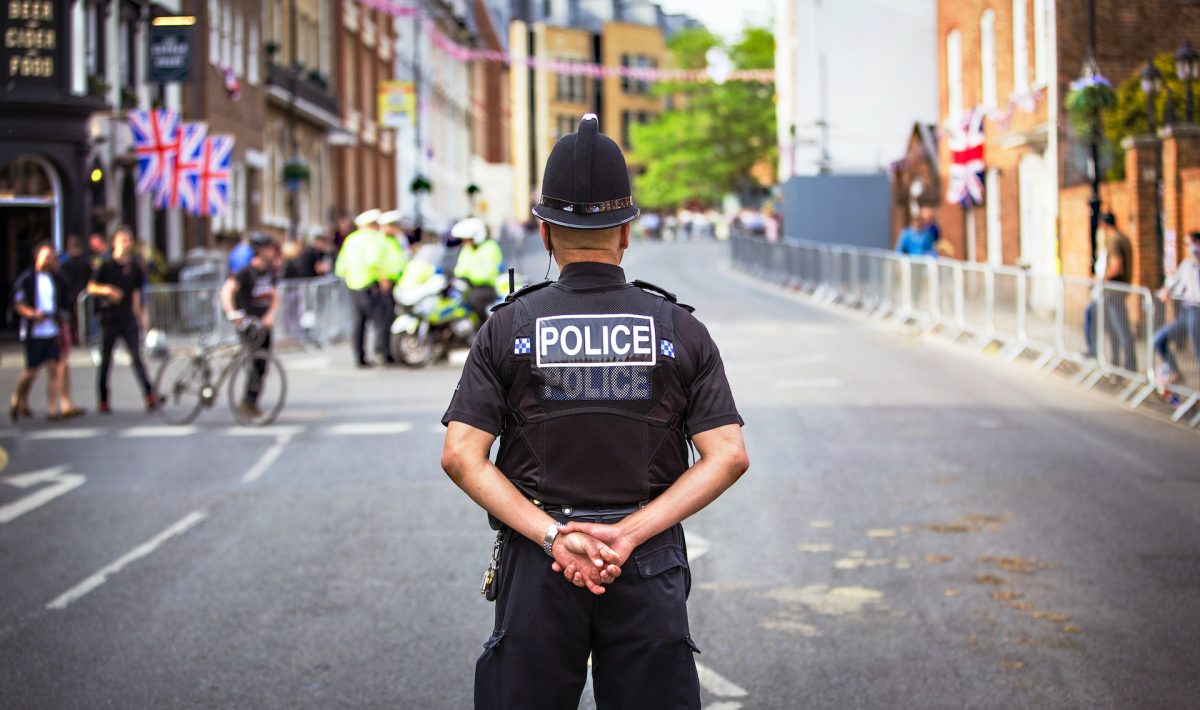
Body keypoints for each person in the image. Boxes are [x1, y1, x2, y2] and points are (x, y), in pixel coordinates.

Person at [440, 114, 750, 710]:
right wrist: (628, 534)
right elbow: (727, 455)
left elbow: (461, 455)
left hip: (539, 560)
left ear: (546, 231)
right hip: (646, 557)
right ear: (627, 230)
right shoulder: (679, 328)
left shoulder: (508, 327)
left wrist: (556, 537)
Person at [10, 241, 84, 421]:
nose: (50, 260)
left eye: (52, 257)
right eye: (46, 257)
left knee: (53, 368)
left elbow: (66, 301)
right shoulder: (27, 279)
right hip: (34, 332)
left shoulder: (57, 278)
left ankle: (52, 409)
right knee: (32, 371)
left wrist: (62, 316)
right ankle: (17, 398)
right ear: (37, 258)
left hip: (52, 330)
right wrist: (32, 314)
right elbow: (17, 303)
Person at [88, 226, 157, 414]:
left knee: (137, 357)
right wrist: (108, 291)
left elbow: (136, 295)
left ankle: (150, 395)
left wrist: (142, 318)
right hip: (109, 318)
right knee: (106, 360)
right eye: (123, 240)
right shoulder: (106, 264)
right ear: (114, 243)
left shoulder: (134, 267)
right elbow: (91, 287)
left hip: (127, 318)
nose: (127, 244)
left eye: (129, 240)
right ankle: (103, 399)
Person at [221, 233, 281, 420]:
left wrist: (270, 315)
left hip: (263, 325)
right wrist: (232, 313)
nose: (273, 252)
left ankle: (252, 402)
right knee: (253, 365)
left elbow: (275, 296)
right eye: (269, 249)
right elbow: (227, 290)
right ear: (260, 250)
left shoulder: (268, 273)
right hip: (248, 325)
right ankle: (247, 401)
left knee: (262, 366)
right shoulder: (246, 271)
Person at [334, 209, 394, 366]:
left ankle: (359, 357)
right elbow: (373, 260)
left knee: (358, 322)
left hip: (353, 285)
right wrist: (383, 280)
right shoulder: (374, 238)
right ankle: (382, 352)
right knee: (381, 317)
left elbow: (340, 267)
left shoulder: (350, 240)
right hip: (370, 284)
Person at [1084, 213, 1136, 371]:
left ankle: (1127, 367)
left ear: (1103, 225)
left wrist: (1101, 279)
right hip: (1116, 291)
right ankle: (1117, 364)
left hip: (1113, 291)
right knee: (1113, 328)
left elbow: (1116, 266)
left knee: (1119, 329)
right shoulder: (1123, 238)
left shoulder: (1114, 240)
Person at [1153, 231, 1200, 386]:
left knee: (1197, 350)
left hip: (1196, 310)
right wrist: (1167, 290)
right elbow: (1173, 283)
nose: (1187, 248)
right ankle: (1174, 372)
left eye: (1189, 243)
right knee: (1159, 339)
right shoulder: (1186, 265)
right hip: (1185, 312)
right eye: (1185, 244)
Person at [451, 217, 504, 323]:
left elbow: (488, 274)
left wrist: (469, 275)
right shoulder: (466, 249)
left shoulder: (491, 247)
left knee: (475, 300)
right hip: (468, 286)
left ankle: (481, 328)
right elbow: (459, 270)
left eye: (467, 239)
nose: (464, 242)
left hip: (486, 287)